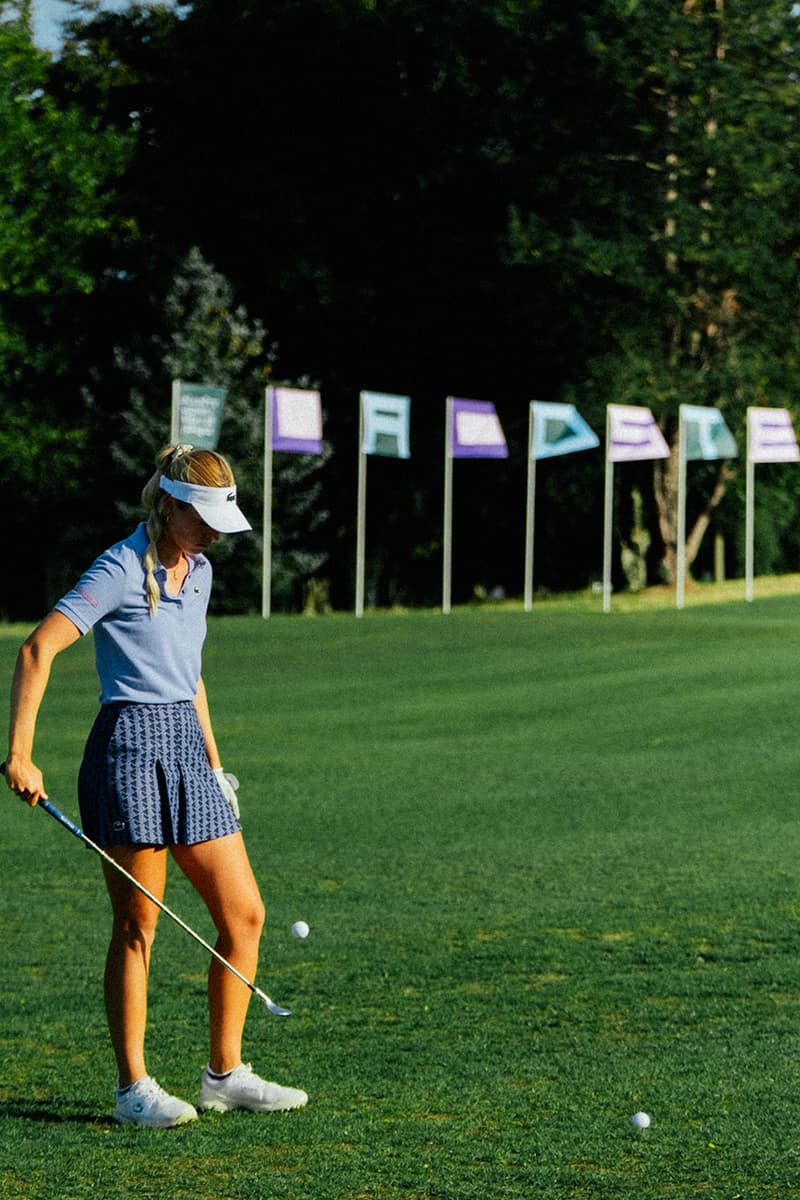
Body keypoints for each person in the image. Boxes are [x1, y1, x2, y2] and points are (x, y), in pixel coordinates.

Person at [4, 444, 308, 1128]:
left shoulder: (196, 571)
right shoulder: (118, 567)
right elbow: (37, 648)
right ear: (167, 504)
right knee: (139, 924)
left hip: (186, 751)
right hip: (128, 750)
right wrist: (21, 752)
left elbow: (191, 674)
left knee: (245, 915)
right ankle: (132, 1087)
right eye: (198, 517)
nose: (208, 533)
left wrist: (214, 764)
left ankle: (225, 1074)